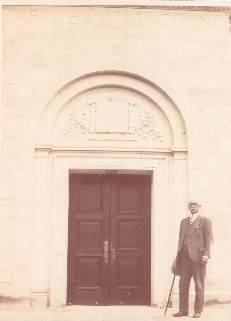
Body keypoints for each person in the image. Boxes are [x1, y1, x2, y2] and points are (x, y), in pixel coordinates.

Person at [172, 200, 213, 318]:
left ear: (199, 206)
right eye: (191, 205)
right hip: (184, 258)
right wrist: (178, 256)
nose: (193, 207)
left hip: (198, 258)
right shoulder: (184, 222)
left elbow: (208, 240)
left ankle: (198, 310)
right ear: (188, 207)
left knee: (199, 285)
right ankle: (183, 310)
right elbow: (181, 241)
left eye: (195, 205)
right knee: (182, 284)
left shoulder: (204, 221)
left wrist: (206, 255)